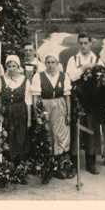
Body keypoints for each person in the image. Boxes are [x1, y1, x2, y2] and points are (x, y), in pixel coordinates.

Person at [66, 32, 105, 176]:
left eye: (86, 43)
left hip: (92, 101)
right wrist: (84, 68)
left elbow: (103, 77)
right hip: (77, 99)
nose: (83, 46)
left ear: (90, 43)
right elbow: (70, 77)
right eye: (80, 43)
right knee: (76, 129)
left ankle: (91, 163)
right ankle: (74, 163)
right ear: (78, 44)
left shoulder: (97, 59)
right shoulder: (73, 59)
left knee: (91, 129)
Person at [31, 51, 72, 185]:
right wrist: (37, 114)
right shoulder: (38, 76)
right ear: (45, 64)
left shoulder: (63, 76)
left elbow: (67, 96)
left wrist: (69, 114)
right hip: (45, 106)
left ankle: (59, 166)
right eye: (48, 62)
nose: (50, 65)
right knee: (47, 135)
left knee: (60, 135)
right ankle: (46, 167)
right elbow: (36, 96)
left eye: (53, 62)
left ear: (57, 63)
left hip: (60, 106)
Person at [0, 55, 32, 180]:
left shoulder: (25, 80)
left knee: (20, 139)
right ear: (6, 67)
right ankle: (6, 170)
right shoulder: (1, 80)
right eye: (9, 66)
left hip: (21, 113)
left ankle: (19, 171)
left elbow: (29, 101)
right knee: (7, 139)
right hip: (6, 114)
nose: (12, 69)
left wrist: (28, 119)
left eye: (14, 66)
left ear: (19, 67)